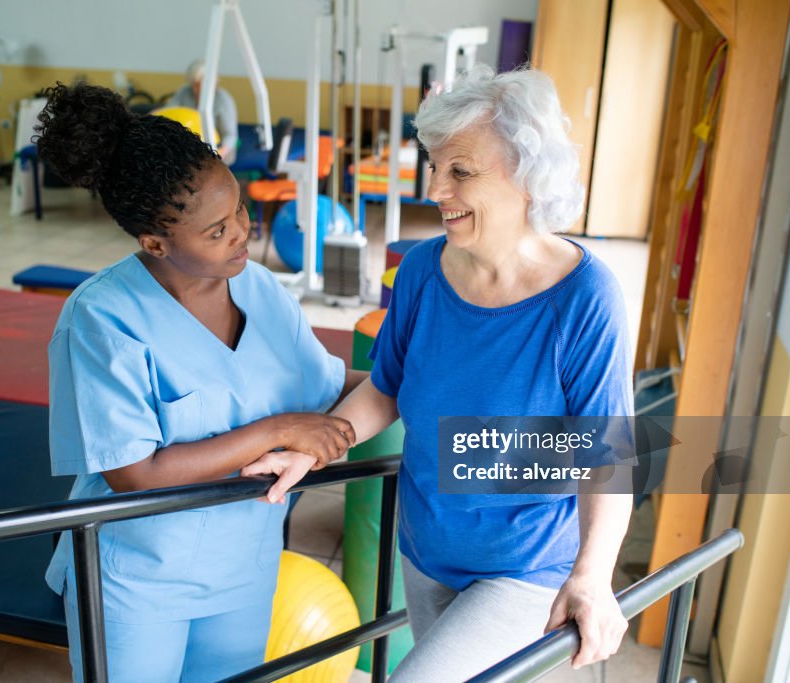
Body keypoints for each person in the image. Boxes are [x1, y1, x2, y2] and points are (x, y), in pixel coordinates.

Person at [244, 65, 634, 680]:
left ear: (528, 176)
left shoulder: (584, 297)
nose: (435, 189)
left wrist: (592, 574)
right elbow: (385, 388)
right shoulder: (424, 271)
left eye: (460, 171)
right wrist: (311, 451)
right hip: (426, 549)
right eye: (434, 166)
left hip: (524, 567)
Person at [35, 82, 361, 683]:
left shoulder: (259, 288)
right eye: (216, 231)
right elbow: (134, 473)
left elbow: (329, 383)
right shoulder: (103, 318)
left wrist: (419, 380)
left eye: (237, 208)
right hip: (138, 577)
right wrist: (279, 431)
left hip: (244, 563)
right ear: (155, 242)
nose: (240, 231)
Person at [169, 59, 239, 166]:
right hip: (190, 144)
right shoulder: (184, 92)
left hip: (217, 147)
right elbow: (169, 113)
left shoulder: (223, 100)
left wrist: (220, 152)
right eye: (194, 84)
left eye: (199, 84)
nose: (195, 89)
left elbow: (230, 135)